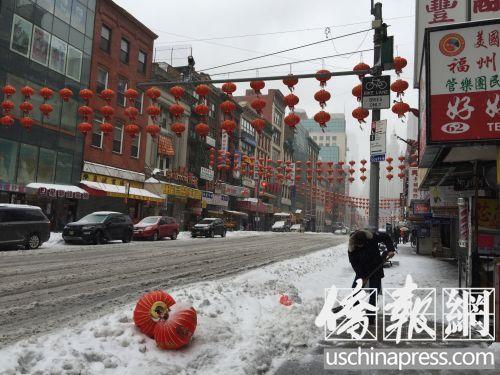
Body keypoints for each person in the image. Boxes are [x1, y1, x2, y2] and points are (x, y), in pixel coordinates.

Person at [348, 229, 396, 323]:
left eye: (362, 245)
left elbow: (386, 237)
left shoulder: (372, 237)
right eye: (359, 245)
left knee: (374, 292)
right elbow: (354, 262)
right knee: (355, 290)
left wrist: (391, 250)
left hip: (375, 267)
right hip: (361, 268)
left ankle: (370, 317)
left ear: (366, 241)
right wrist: (361, 276)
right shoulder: (352, 245)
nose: (360, 246)